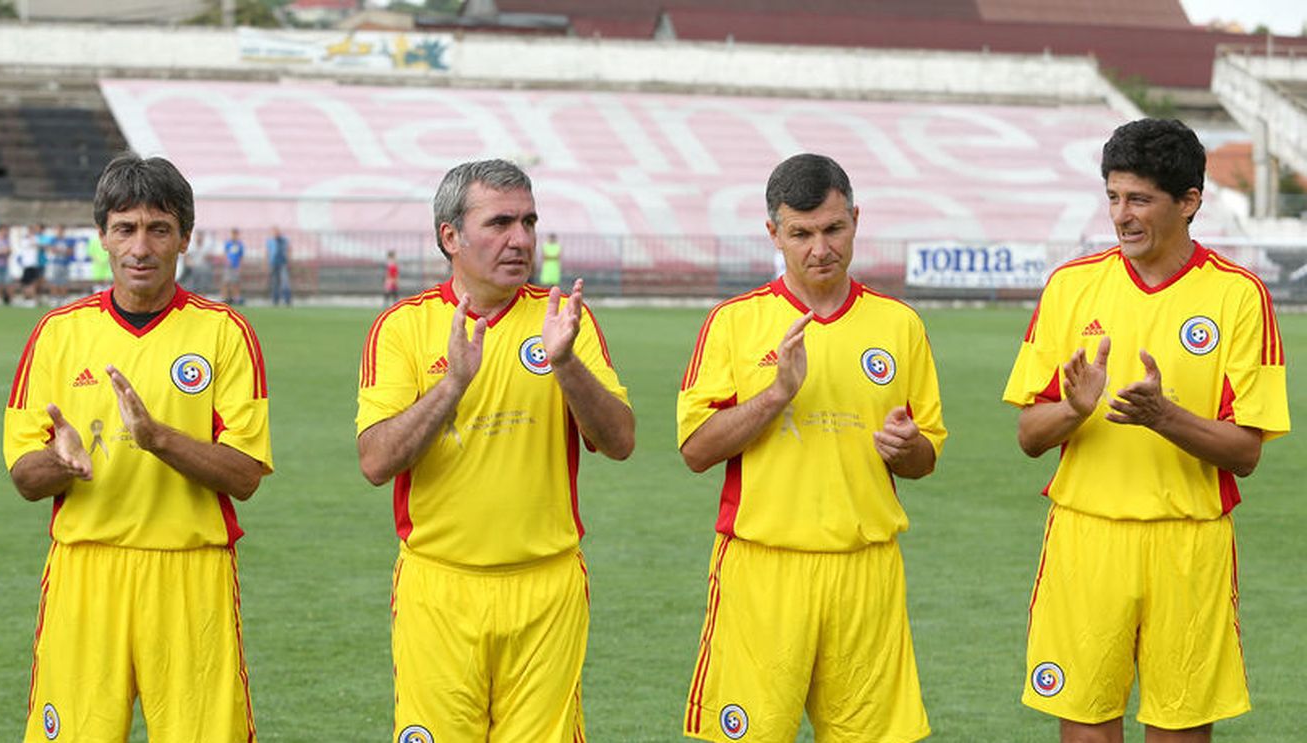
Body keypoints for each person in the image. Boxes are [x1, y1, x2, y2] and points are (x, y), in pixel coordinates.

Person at [1003, 118, 1290, 743]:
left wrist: (1165, 417)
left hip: (1188, 544)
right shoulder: (1071, 286)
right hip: (1086, 537)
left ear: (1189, 202)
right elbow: (1028, 436)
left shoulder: (1240, 298)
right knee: (1084, 727)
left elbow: (1245, 453)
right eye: (1112, 196)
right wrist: (1074, 410)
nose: (1121, 216)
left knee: (1180, 730)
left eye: (1139, 199)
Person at [356, 159, 635, 742]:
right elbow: (377, 461)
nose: (521, 239)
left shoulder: (560, 322)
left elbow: (619, 441)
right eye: (501, 222)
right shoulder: (402, 329)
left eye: (529, 222)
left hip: (547, 586)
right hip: (440, 587)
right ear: (449, 236)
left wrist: (566, 364)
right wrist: (452, 385)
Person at [2, 153, 273, 742]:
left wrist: (159, 440)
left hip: (190, 572)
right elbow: (24, 477)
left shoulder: (223, 332)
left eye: (159, 229)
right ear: (103, 236)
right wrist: (61, 464)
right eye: (125, 229)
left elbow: (246, 475)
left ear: (184, 239)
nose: (141, 247)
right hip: (85, 570)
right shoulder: (58, 332)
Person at [677, 153, 946, 742]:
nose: (819, 248)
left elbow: (927, 457)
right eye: (800, 234)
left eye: (833, 229)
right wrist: (776, 395)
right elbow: (696, 450)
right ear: (773, 232)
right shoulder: (734, 323)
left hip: (865, 569)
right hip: (763, 569)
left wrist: (907, 448)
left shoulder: (899, 325)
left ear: (855, 219)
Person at [265, 226, 292, 306]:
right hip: (273, 263)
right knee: (275, 282)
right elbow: (267, 252)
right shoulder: (270, 241)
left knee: (285, 281)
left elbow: (289, 249)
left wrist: (289, 259)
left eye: (277, 232)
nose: (276, 233)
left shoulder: (284, 240)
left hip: (283, 263)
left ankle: (287, 300)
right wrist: (266, 263)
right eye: (275, 232)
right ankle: (275, 300)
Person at [222, 227, 244, 304]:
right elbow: (225, 253)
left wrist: (240, 266)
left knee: (235, 282)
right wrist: (226, 261)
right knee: (226, 282)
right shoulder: (228, 243)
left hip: (236, 266)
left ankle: (236, 298)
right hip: (228, 266)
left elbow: (241, 256)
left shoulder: (240, 244)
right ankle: (225, 297)